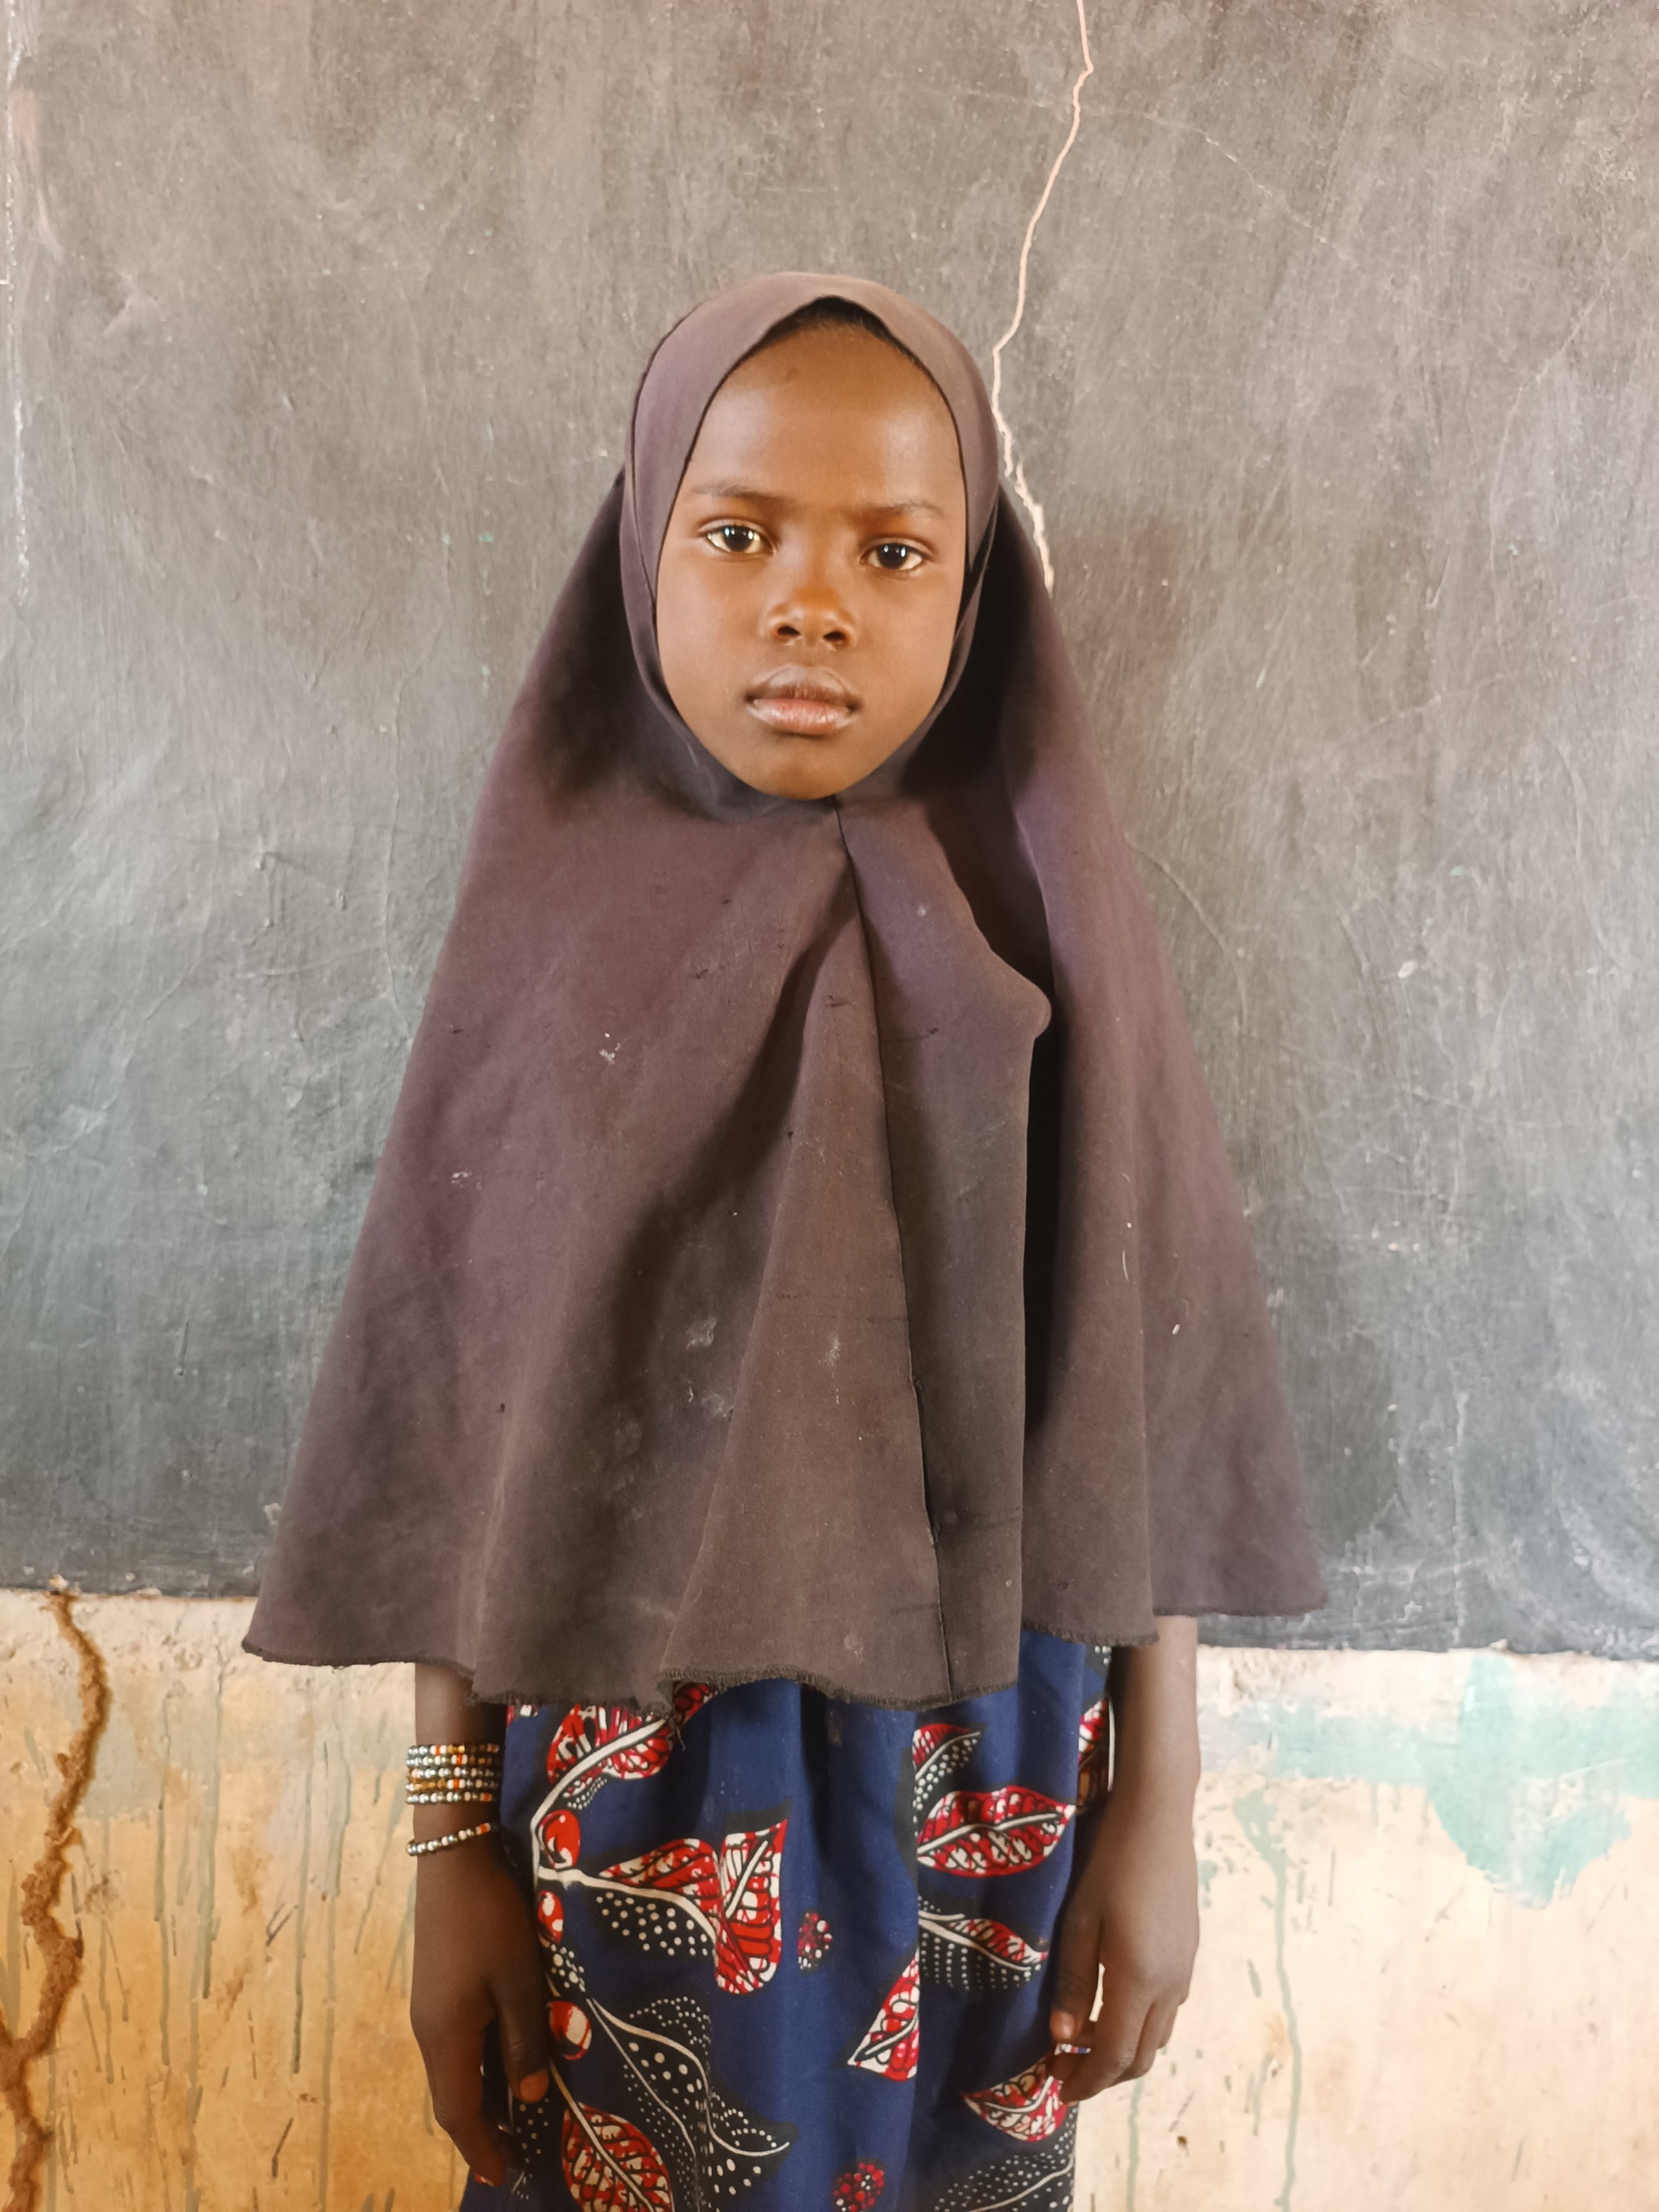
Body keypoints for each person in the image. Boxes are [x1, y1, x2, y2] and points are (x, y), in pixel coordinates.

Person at [246, 274, 1323, 2209]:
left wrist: (1160, 1805)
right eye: (736, 534)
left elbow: (1132, 1400)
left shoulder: (1054, 928)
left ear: (972, 595)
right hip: (634, 1775)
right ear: (642, 555)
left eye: (892, 552)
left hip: (995, 1784)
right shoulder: (547, 947)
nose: (809, 603)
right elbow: (471, 1427)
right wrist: (448, 1846)